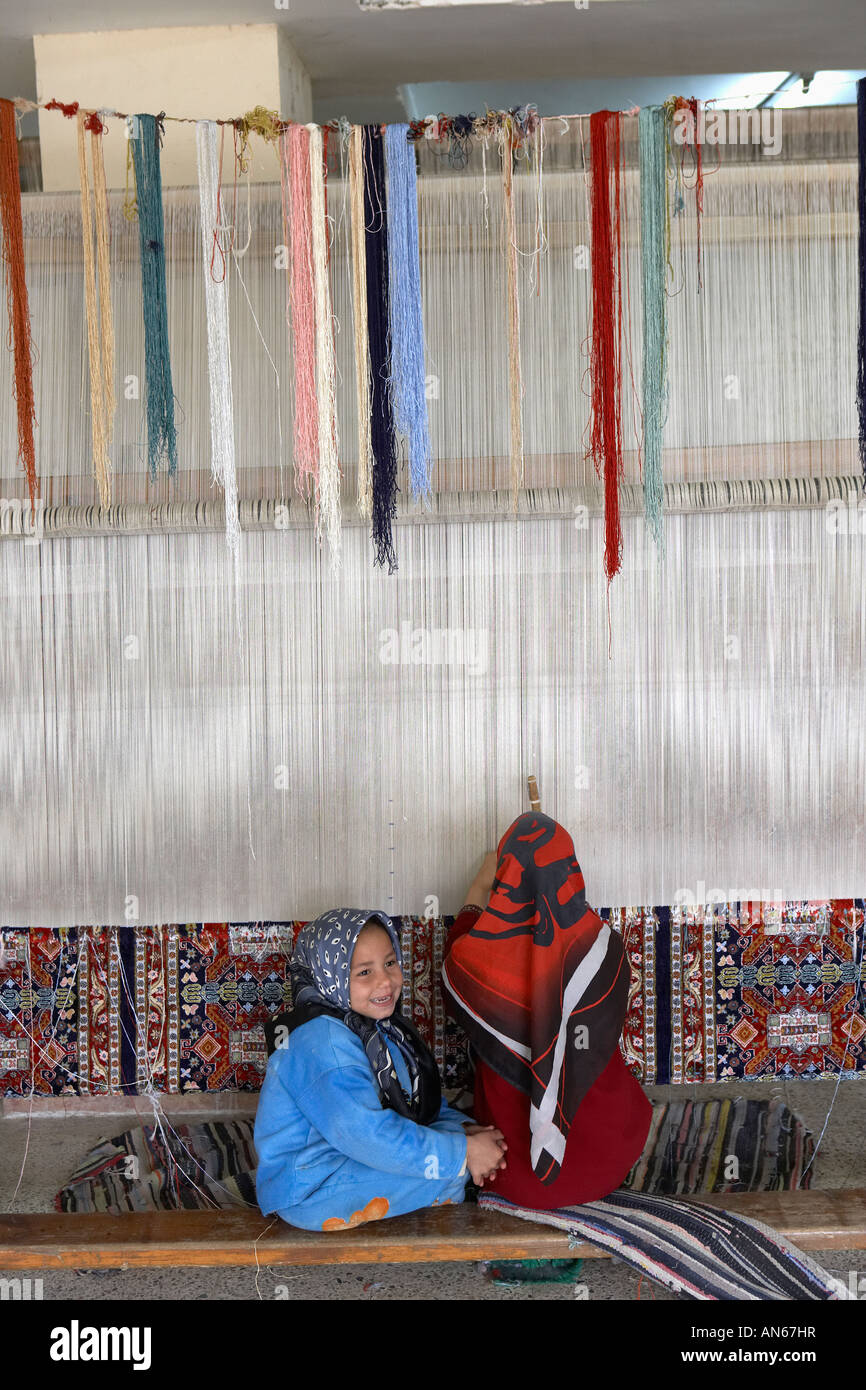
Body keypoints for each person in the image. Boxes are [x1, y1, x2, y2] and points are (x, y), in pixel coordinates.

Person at [442, 812, 652, 1209]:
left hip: (513, 1173)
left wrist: (480, 884)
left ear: (505, 882)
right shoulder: (606, 950)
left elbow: (457, 960)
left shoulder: (469, 960)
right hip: (609, 1160)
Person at [254, 908, 507, 1231]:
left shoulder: (380, 1031)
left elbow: (416, 1106)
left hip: (344, 1164)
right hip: (308, 1190)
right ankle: (460, 1179)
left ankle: (464, 1164)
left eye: (390, 963)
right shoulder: (323, 1042)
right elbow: (365, 1135)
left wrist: (463, 1131)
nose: (384, 981)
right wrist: (461, 1152)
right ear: (328, 974)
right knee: (447, 1169)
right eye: (363, 972)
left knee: (469, 1150)